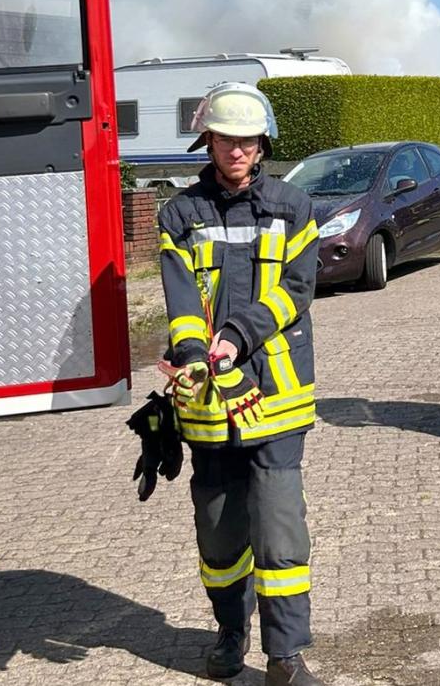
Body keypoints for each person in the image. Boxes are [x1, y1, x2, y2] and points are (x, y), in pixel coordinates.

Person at [156, 81, 324, 684]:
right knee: (220, 532)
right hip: (209, 403)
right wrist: (192, 353)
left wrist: (235, 335)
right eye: (226, 139)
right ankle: (230, 634)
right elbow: (180, 298)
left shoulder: (294, 207)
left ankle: (285, 657)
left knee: (279, 530)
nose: (236, 150)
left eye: (247, 140)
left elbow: (296, 291)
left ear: (262, 144)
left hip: (276, 397)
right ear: (209, 140)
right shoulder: (179, 215)